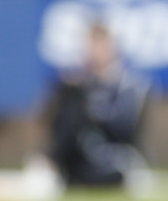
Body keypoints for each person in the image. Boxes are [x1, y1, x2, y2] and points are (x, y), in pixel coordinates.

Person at [46, 22, 152, 188]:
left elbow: (123, 128)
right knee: (70, 102)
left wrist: (90, 113)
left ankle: (53, 165)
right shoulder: (81, 85)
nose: (94, 52)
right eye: (91, 46)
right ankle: (52, 164)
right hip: (80, 152)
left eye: (99, 46)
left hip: (112, 153)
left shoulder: (128, 84)